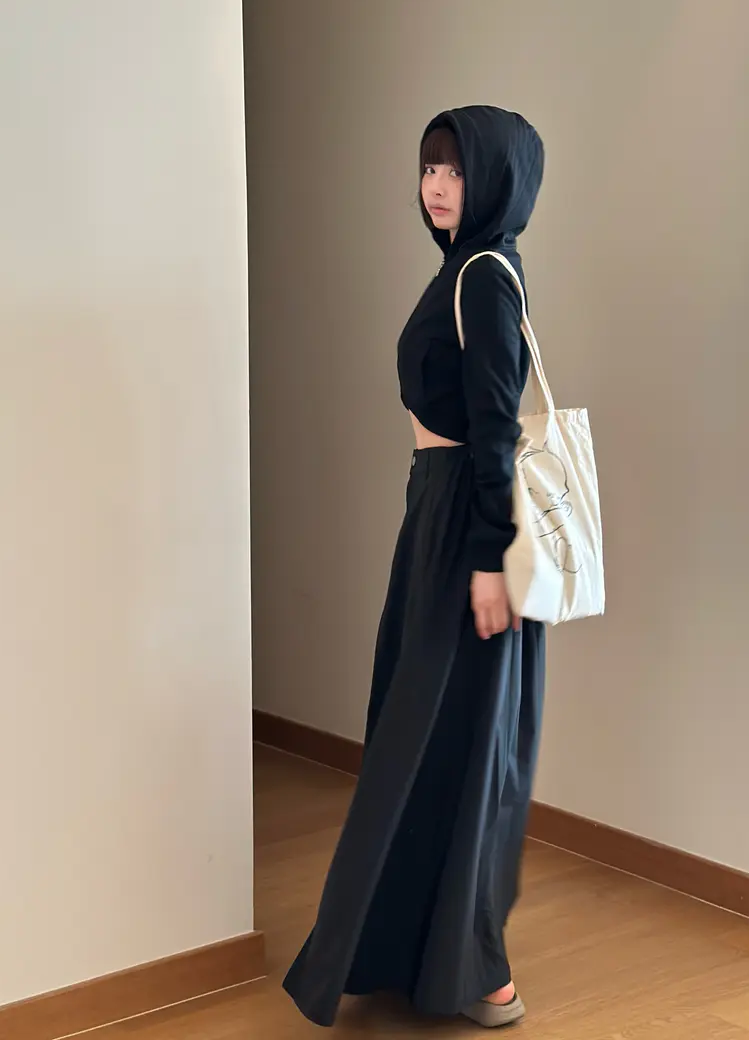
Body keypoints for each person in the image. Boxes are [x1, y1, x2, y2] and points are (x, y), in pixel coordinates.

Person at [283, 105, 546, 1029]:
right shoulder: (467, 268)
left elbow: (497, 427)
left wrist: (487, 561)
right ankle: (417, 954)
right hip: (439, 514)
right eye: (430, 167)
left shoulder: (483, 276)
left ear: (496, 179)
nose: (436, 185)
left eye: (457, 169)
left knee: (455, 744)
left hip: (466, 528)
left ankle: (481, 970)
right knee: (428, 742)